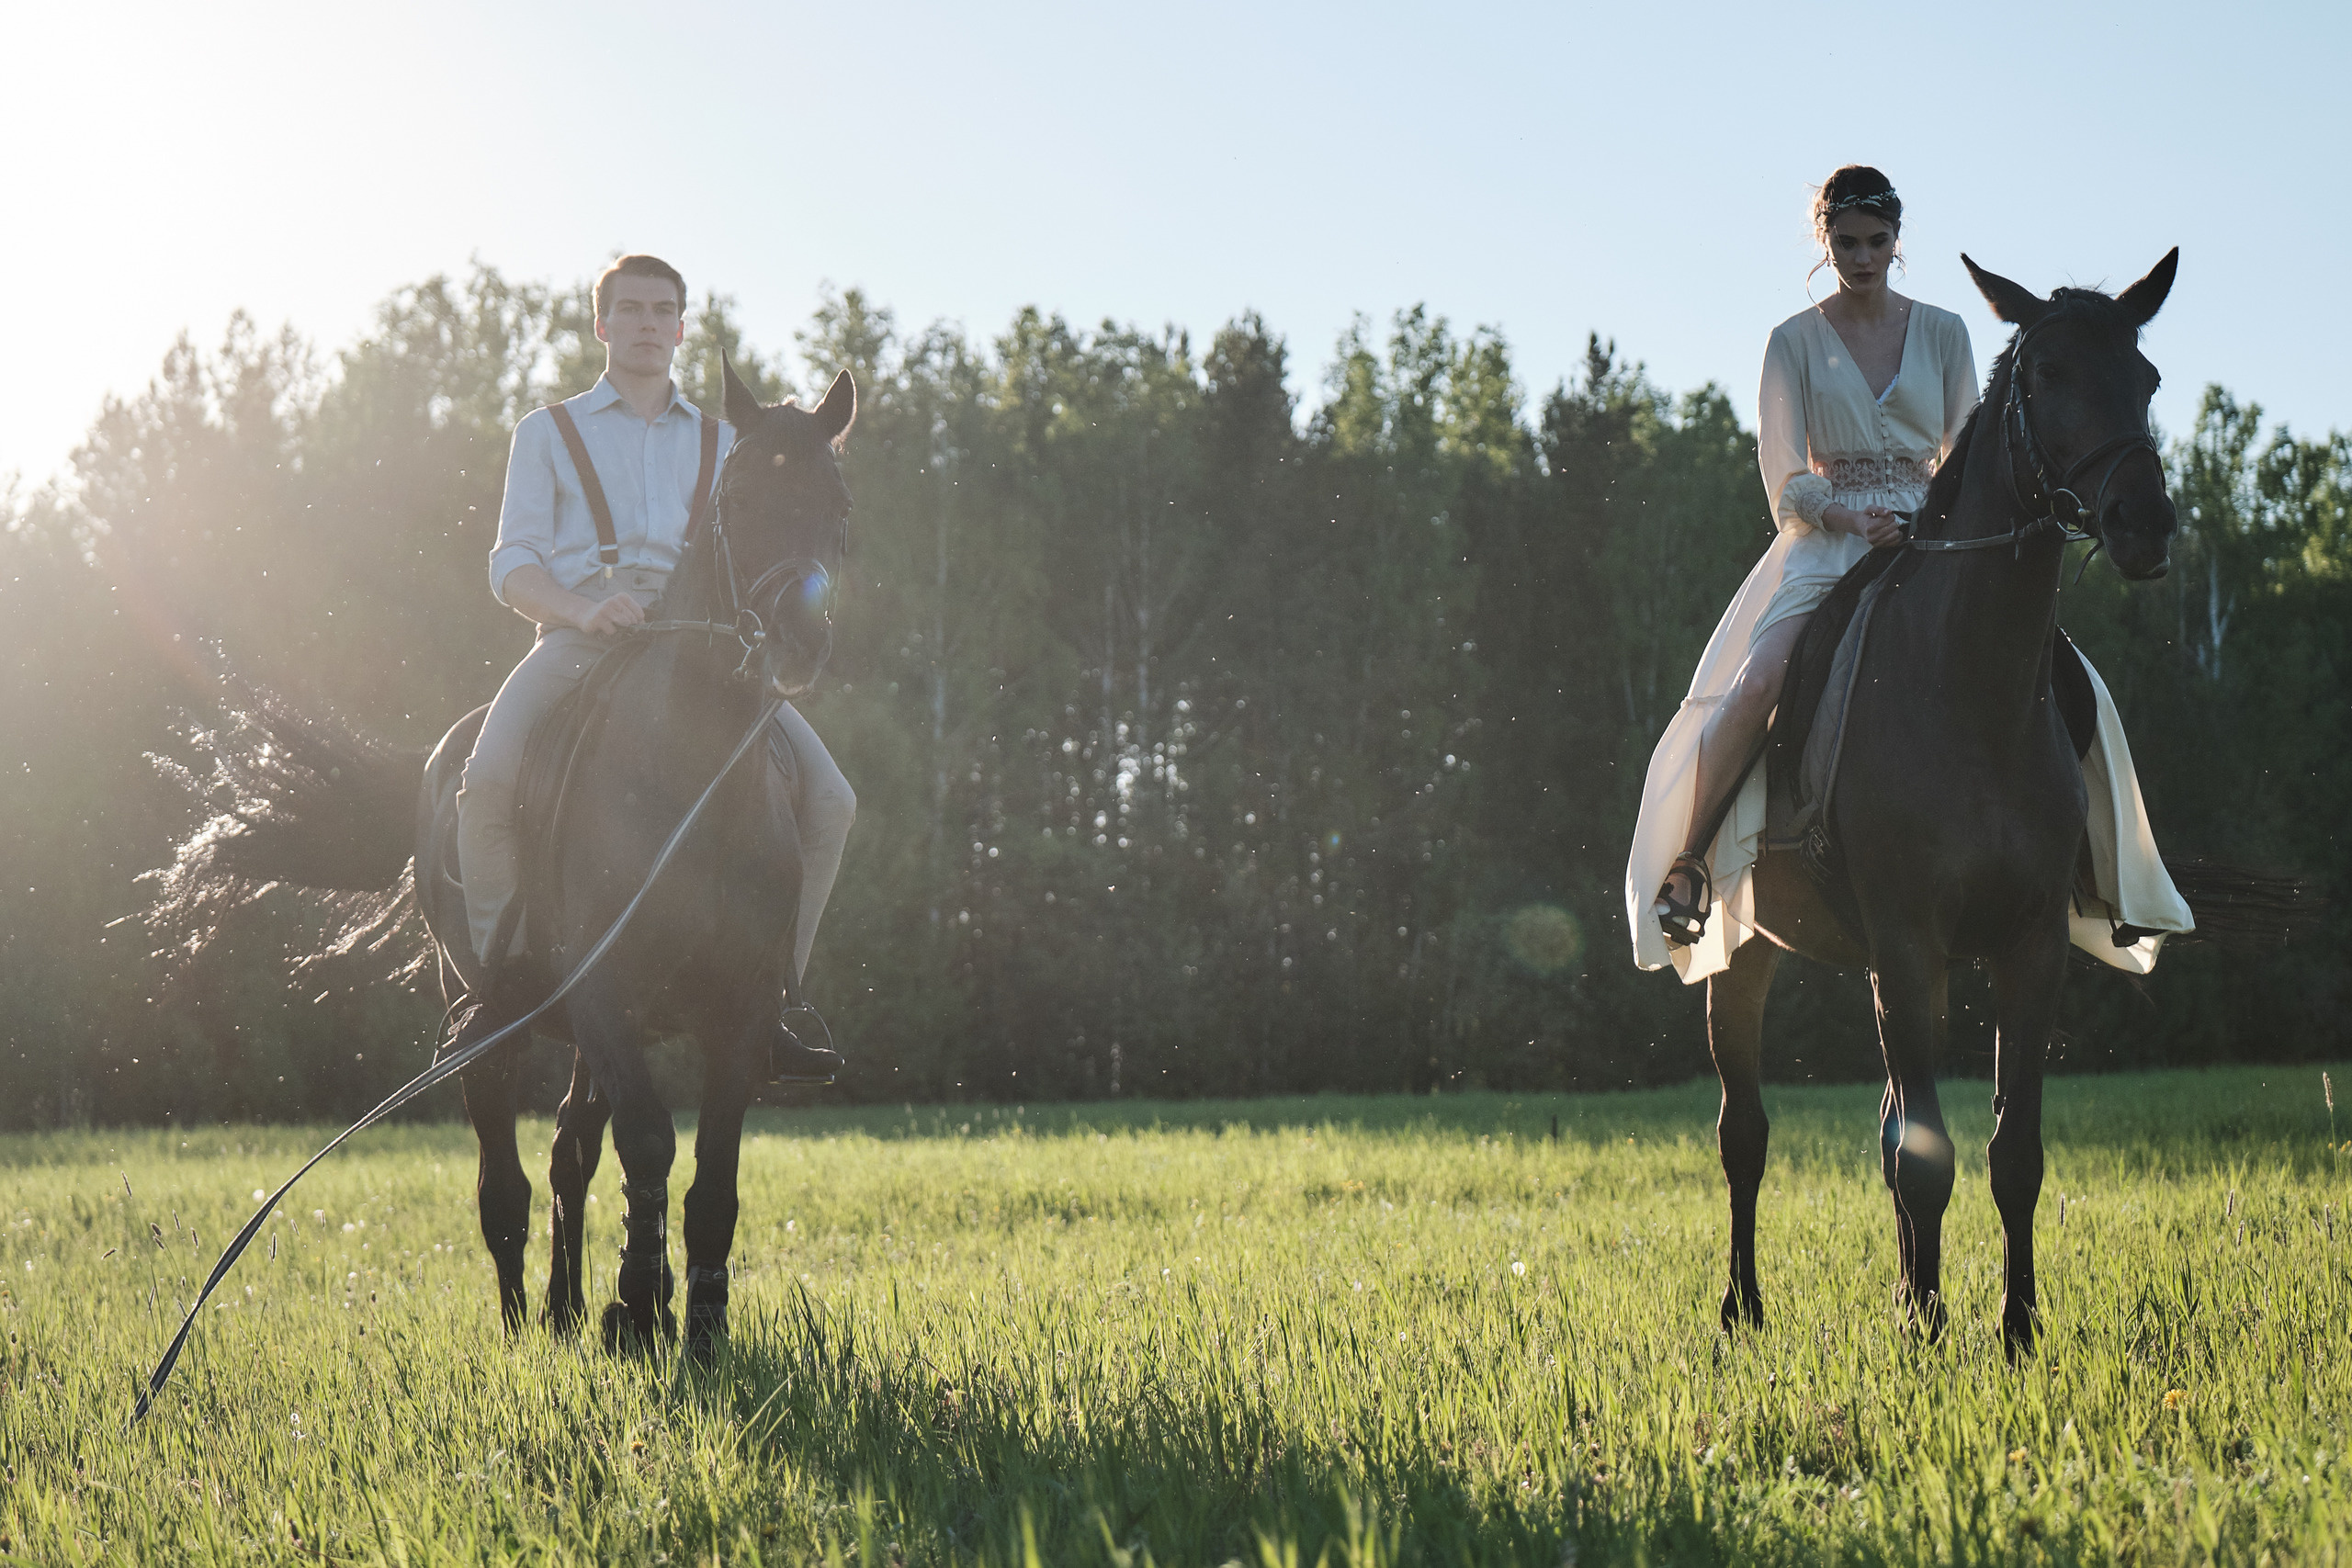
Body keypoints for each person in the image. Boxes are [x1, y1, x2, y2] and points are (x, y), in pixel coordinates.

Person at [1624, 166, 2190, 983]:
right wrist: (1851, 519)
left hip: (1935, 540)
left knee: (2077, 685)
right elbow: (1784, 477)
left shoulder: (1945, 333)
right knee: (1757, 683)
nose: (1862, 257)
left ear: (1897, 242)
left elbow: (1971, 451)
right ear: (1825, 242)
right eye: (1846, 243)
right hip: (1828, 544)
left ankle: (2107, 875)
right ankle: (1692, 864)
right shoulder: (1791, 342)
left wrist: (1933, 522)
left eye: (1877, 242)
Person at [457, 253, 854, 1072]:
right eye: (631, 309)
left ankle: (775, 998)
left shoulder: (727, 440)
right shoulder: (547, 432)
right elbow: (512, 566)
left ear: (680, 329)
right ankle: (499, 986)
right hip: (579, 640)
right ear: (602, 324)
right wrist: (582, 608)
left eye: (663, 310)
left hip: (706, 650)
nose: (648, 323)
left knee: (832, 800)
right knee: (488, 778)